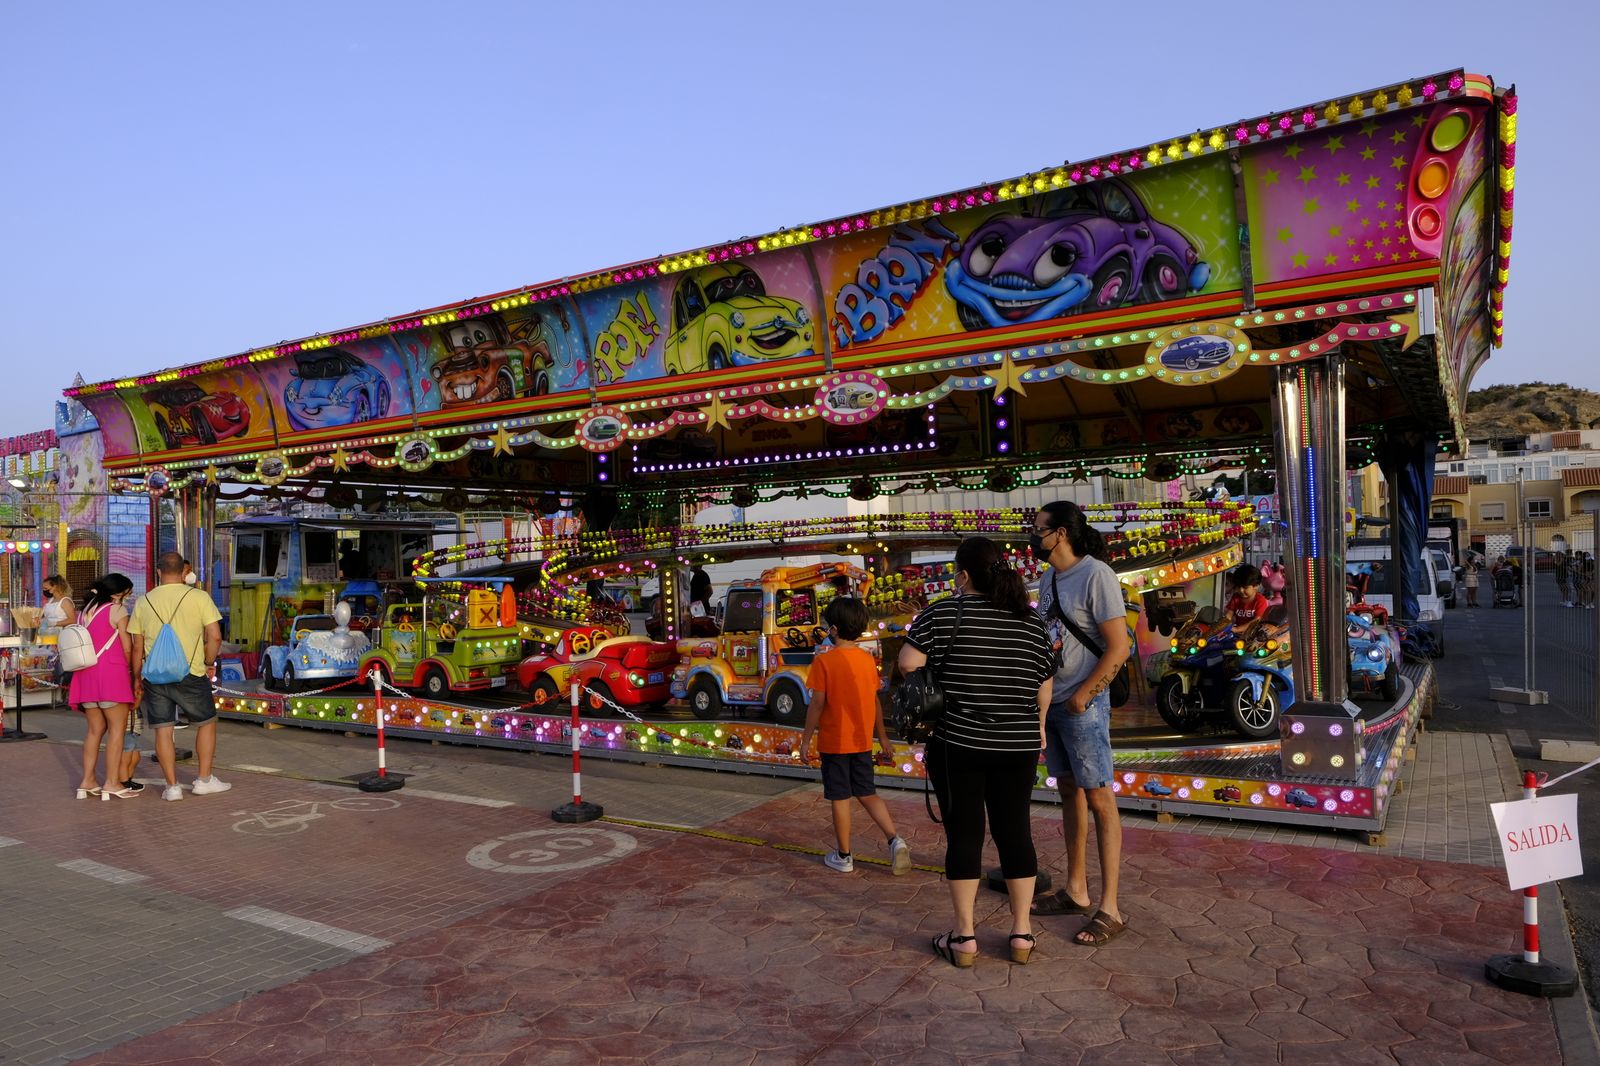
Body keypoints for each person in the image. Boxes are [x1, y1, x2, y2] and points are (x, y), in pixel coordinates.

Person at [899, 537, 1056, 967]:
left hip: (959, 743)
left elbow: (908, 663)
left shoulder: (943, 613)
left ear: (964, 575)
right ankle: (1022, 934)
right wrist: (1039, 725)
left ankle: (965, 937)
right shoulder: (1030, 622)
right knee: (1015, 832)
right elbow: (1045, 679)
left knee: (965, 835)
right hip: (1019, 745)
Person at [1031, 501, 1132, 948]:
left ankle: (1109, 906)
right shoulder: (1047, 579)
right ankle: (1076, 889)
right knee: (1069, 790)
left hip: (1082, 705)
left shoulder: (1097, 575)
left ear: (1063, 533)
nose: (1034, 538)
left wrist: (1084, 697)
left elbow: (1119, 647)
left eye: (1040, 530)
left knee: (1099, 796)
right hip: (1056, 701)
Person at [798, 597, 910, 877]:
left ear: (834, 629)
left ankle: (844, 855)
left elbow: (817, 704)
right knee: (867, 793)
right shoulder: (866, 659)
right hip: (861, 741)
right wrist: (882, 738)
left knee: (840, 797)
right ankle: (895, 839)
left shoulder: (824, 662)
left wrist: (805, 738)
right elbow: (874, 701)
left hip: (835, 743)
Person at [130, 552, 229, 802]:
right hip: (191, 672)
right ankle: (204, 779)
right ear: (184, 573)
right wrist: (209, 663)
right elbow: (215, 636)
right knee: (206, 723)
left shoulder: (144, 601)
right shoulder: (198, 597)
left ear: (159, 572)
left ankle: (172, 787)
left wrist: (136, 678)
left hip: (154, 676)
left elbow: (137, 648)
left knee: (163, 730)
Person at [67, 574, 139, 800]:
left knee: (94, 731)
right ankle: (112, 783)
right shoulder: (117, 611)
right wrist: (133, 675)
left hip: (86, 675)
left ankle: (87, 781)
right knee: (117, 731)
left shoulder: (83, 612)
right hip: (112, 675)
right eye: (127, 592)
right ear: (120, 592)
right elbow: (128, 647)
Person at [1225, 564, 1272, 637]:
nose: (1241, 590)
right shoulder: (1236, 597)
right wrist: (1223, 625)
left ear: (1256, 586)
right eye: (1238, 587)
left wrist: (1237, 629)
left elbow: (1256, 621)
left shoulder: (1260, 601)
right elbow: (1229, 614)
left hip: (1254, 635)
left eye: (1245, 587)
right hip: (1238, 635)